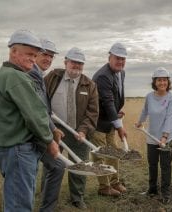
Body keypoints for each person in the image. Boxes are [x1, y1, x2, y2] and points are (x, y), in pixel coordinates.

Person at [0, 29, 59, 212]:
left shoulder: (3, 74)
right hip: (19, 149)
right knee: (20, 204)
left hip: (8, 150)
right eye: (29, 54)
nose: (33, 59)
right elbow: (35, 115)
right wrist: (49, 141)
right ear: (13, 51)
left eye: (35, 55)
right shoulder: (17, 77)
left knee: (15, 197)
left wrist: (9, 118)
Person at [45, 47, 99, 209]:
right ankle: (48, 197)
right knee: (52, 164)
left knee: (80, 163)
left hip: (78, 131)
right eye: (73, 62)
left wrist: (83, 130)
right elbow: (41, 100)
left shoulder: (89, 85)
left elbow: (92, 112)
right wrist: (49, 126)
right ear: (66, 62)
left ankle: (77, 198)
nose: (76, 66)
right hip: (54, 129)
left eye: (80, 63)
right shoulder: (52, 77)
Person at [28, 38, 65, 212]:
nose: (48, 59)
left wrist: (54, 128)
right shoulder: (30, 74)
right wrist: (50, 132)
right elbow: (36, 111)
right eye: (44, 54)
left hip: (39, 132)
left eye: (51, 56)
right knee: (29, 177)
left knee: (56, 166)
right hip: (32, 135)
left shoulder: (39, 75)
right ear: (35, 54)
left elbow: (43, 109)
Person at [135, 67, 172, 204]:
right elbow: (145, 111)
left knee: (165, 165)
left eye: (164, 80)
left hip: (168, 138)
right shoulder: (149, 96)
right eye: (159, 80)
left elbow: (170, 118)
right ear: (155, 82)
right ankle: (152, 189)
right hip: (152, 136)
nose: (162, 83)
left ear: (168, 82)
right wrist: (139, 122)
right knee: (152, 164)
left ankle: (165, 193)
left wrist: (164, 137)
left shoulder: (171, 98)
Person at [90, 42, 128, 197]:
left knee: (113, 153)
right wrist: (119, 127)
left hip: (110, 121)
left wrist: (117, 113)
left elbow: (114, 98)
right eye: (117, 58)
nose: (120, 61)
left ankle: (114, 182)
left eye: (123, 59)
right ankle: (104, 187)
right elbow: (107, 101)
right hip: (98, 123)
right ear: (110, 57)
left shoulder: (121, 73)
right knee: (100, 155)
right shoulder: (103, 76)